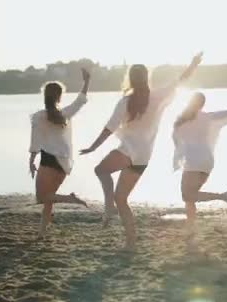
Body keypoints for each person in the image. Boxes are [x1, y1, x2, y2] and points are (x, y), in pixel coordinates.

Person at [80, 53, 203, 251]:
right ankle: (130, 244)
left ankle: (109, 207)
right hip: (144, 156)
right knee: (122, 199)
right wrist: (194, 63)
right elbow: (181, 80)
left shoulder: (125, 101)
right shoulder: (159, 95)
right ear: (147, 77)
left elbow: (109, 128)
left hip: (128, 151)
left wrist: (93, 147)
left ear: (130, 78)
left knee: (101, 171)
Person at [172, 90, 227, 250]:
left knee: (187, 196)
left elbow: (176, 141)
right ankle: (191, 231)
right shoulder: (208, 117)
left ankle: (222, 196)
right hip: (206, 161)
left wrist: (178, 156)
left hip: (193, 161)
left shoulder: (181, 120)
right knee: (190, 198)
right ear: (202, 104)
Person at [29, 68, 91, 238]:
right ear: (59, 97)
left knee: (42, 197)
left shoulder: (38, 117)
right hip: (63, 163)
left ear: (45, 96)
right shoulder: (65, 114)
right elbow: (80, 101)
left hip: (48, 161)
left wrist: (31, 160)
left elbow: (35, 141)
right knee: (49, 199)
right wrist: (87, 81)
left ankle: (71, 199)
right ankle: (42, 233)